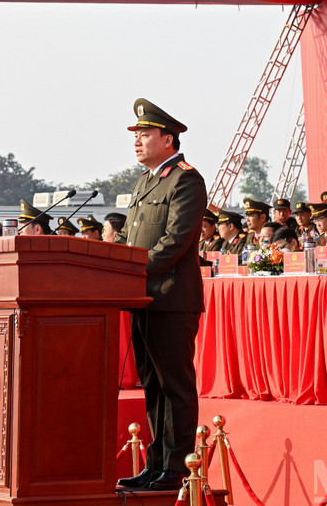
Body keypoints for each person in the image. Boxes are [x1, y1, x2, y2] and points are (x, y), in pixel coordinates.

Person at [115, 98, 206, 492]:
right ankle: (156, 465)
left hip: (171, 299)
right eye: (135, 135)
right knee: (152, 386)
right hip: (142, 298)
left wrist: (133, 270)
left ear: (167, 139)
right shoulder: (144, 181)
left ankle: (177, 467)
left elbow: (175, 241)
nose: (137, 141)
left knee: (174, 386)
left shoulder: (186, 180)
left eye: (145, 134)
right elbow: (129, 238)